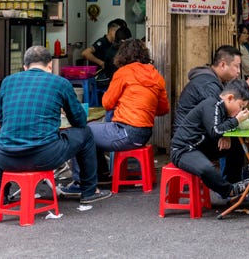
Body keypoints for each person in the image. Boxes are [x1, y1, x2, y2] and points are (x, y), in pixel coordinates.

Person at [0, 46, 111, 206]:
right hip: (45, 157)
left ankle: (0, 195)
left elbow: (2, 120)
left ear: (25, 66)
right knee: (86, 133)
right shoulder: (60, 83)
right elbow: (79, 121)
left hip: (7, 158)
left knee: (0, 134)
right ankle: (88, 191)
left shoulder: (7, 82)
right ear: (50, 65)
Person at [58, 39, 169, 196]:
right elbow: (164, 109)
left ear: (122, 55)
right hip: (144, 134)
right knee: (94, 132)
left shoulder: (123, 73)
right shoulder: (156, 75)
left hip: (125, 132)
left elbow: (107, 103)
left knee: (81, 131)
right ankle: (102, 174)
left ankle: (80, 183)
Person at [173, 45, 249, 185]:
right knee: (235, 141)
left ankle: (234, 180)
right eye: (236, 66)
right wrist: (224, 134)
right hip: (190, 140)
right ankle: (232, 187)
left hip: (199, 133)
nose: (238, 71)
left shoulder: (214, 81)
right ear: (223, 64)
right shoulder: (209, 85)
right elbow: (216, 117)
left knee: (232, 136)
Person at [170, 79, 249, 199]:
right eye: (240, 106)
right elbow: (215, 130)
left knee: (236, 144)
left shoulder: (224, 108)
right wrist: (236, 121)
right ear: (229, 98)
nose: (240, 111)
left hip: (201, 147)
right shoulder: (212, 104)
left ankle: (233, 182)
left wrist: (226, 135)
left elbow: (219, 130)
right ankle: (228, 190)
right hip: (183, 149)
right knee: (206, 168)